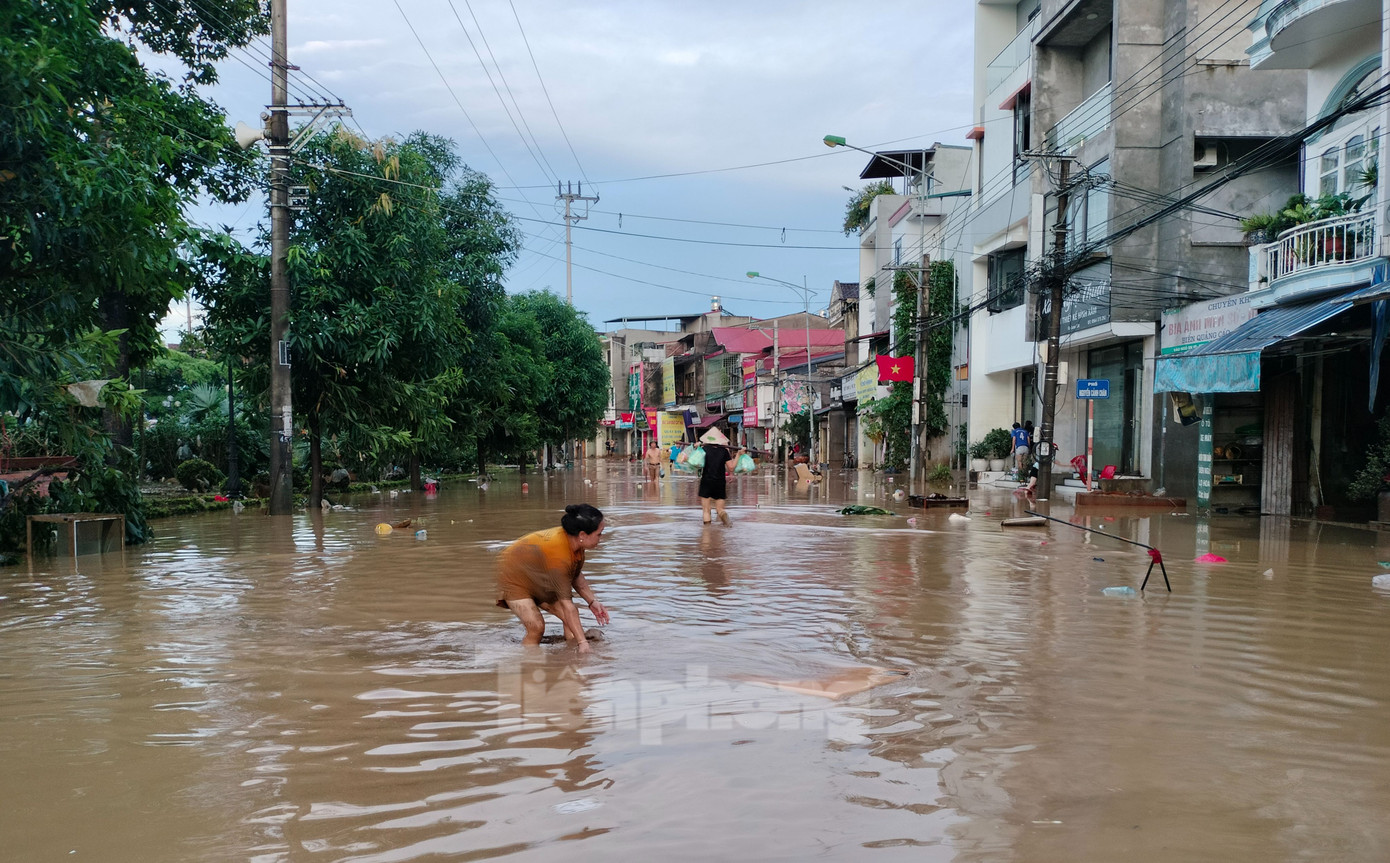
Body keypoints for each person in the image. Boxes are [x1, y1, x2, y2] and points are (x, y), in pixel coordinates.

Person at [496, 503, 609, 653]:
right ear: (582, 535)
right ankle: (530, 664)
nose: (601, 538)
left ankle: (569, 655)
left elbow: (575, 574)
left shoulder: (575, 546)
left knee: (571, 618)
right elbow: (567, 604)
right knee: (536, 627)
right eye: (599, 534)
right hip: (513, 576)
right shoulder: (559, 555)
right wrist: (583, 642)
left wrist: (592, 601)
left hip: (537, 574)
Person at [697, 427, 742, 525]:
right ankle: (726, 520)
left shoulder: (703, 450)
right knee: (720, 509)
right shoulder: (724, 452)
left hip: (706, 481)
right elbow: (731, 468)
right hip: (720, 482)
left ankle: (707, 532)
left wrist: (696, 448)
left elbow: (696, 464)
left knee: (706, 510)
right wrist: (738, 454)